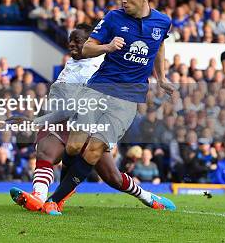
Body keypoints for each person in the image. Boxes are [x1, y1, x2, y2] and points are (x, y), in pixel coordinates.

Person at [41, 0, 175, 216]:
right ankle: (59, 196)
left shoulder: (162, 22)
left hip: (127, 98)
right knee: (74, 146)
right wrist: (108, 46)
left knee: (94, 150)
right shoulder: (114, 18)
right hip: (98, 88)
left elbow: (160, 46)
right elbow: (88, 48)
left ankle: (54, 200)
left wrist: (162, 78)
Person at [10, 25, 173, 212]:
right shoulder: (75, 62)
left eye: (77, 40)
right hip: (65, 121)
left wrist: (36, 122)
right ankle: (38, 198)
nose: (71, 44)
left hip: (89, 126)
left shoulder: (93, 71)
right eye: (70, 40)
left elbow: (71, 107)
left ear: (90, 43)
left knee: (113, 177)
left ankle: (148, 197)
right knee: (45, 152)